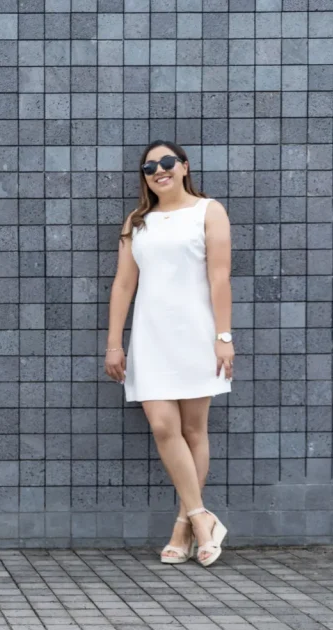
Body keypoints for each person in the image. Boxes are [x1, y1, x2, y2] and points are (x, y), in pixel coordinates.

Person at [105, 140, 234, 567]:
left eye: (166, 162)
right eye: (149, 167)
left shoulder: (208, 211)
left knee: (194, 430)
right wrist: (114, 343)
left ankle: (184, 527)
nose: (159, 170)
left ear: (184, 167)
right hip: (151, 337)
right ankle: (201, 517)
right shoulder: (136, 221)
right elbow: (124, 284)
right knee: (164, 426)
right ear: (144, 177)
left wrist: (224, 336)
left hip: (196, 334)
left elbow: (219, 277)